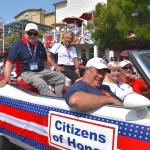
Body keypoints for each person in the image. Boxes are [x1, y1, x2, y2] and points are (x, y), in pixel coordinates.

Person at [0, 23, 65, 97]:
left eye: (35, 34)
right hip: (27, 73)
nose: (32, 36)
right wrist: (7, 78)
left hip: (41, 71)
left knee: (61, 77)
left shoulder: (40, 45)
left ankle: (59, 97)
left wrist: (48, 72)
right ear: (25, 34)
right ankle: (56, 103)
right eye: (30, 33)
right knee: (41, 83)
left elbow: (44, 61)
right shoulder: (18, 45)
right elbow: (9, 63)